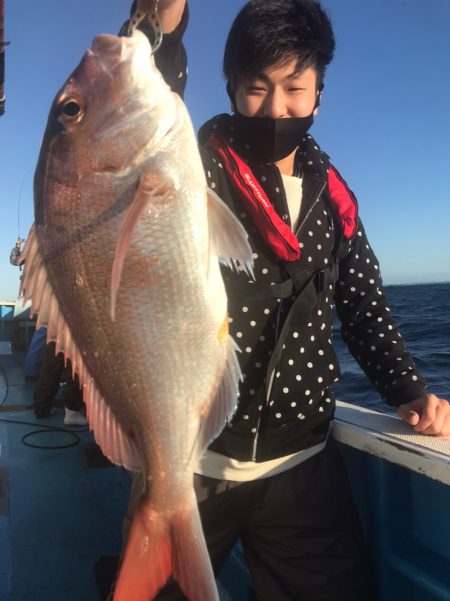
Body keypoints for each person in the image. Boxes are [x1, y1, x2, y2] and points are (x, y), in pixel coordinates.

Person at [116, 2, 450, 600]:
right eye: (256, 89)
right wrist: (161, 30)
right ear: (230, 89)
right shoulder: (194, 170)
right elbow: (140, 110)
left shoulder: (335, 197)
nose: (276, 108)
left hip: (301, 465)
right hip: (192, 465)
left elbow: (363, 303)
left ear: (319, 92)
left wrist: (408, 391)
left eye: (295, 88)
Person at [33, 339, 88, 426]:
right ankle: (72, 412)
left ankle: (42, 407)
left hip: (57, 328)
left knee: (53, 359)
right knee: (74, 364)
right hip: (75, 330)